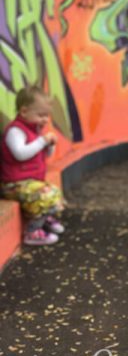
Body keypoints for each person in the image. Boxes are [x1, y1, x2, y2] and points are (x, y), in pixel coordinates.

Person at [1, 87, 65, 246]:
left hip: (28, 182)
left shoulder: (34, 130)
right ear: (24, 111)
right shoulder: (15, 131)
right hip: (13, 185)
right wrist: (42, 141)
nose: (45, 119)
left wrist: (49, 145)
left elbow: (44, 155)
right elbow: (20, 154)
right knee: (47, 196)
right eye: (41, 115)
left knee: (56, 196)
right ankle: (32, 232)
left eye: (47, 115)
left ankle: (44, 219)